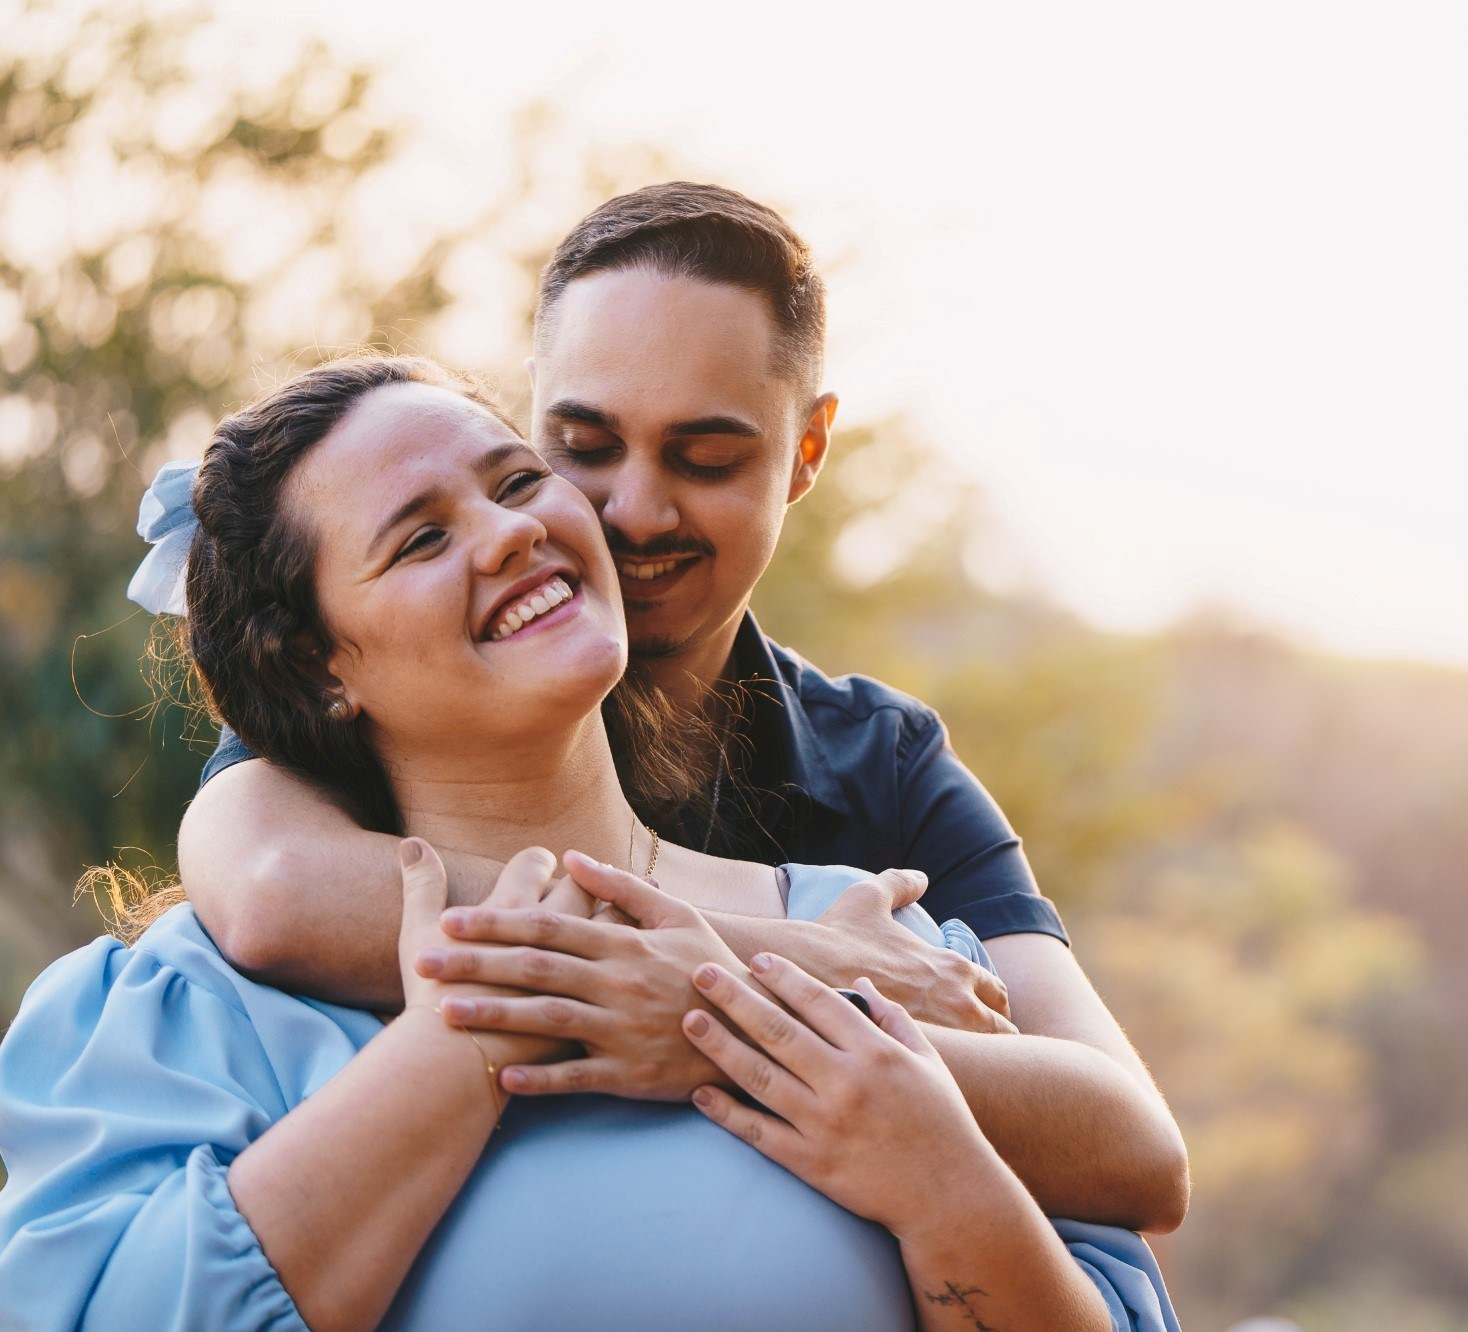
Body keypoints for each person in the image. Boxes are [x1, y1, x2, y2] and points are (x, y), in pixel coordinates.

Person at [0, 358, 1180, 1332]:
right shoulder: (195, 1010)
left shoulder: (882, 948)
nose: (506, 533)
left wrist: (940, 1176)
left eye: (515, 479)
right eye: (420, 539)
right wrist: (475, 1028)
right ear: (326, 669)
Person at [177, 182, 1189, 1233]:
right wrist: (787, 969)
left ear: (805, 454)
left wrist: (708, 1014)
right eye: (584, 446)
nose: (635, 510)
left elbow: (1133, 1148)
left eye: (705, 458)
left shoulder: (876, 762)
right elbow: (274, 890)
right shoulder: (402, 693)